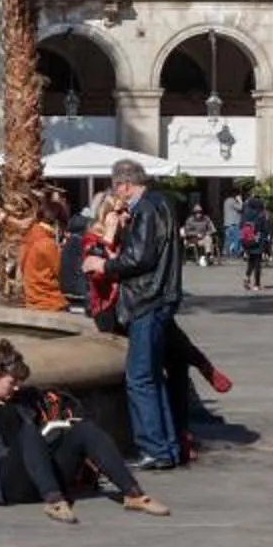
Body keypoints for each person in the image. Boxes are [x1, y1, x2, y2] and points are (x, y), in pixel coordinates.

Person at [0, 341, 168, 521]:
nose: (16, 388)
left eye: (19, 382)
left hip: (37, 470)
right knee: (29, 433)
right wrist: (18, 451)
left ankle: (133, 494)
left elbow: (60, 402)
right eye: (12, 382)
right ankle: (54, 501)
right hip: (2, 479)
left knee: (83, 430)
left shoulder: (23, 399)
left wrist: (64, 424)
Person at [102, 158, 184, 471]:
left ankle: (153, 448)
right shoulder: (160, 203)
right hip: (162, 296)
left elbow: (139, 257)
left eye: (116, 187)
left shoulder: (146, 209)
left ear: (124, 184)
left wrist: (105, 265)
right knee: (151, 376)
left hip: (147, 298)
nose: (116, 194)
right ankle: (167, 447)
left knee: (138, 378)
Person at [237, 197, 273, 292]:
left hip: (246, 241)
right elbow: (265, 228)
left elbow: (241, 226)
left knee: (251, 260)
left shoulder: (245, 214)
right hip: (258, 241)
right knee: (257, 262)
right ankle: (257, 284)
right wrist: (268, 239)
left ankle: (247, 277)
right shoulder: (261, 214)